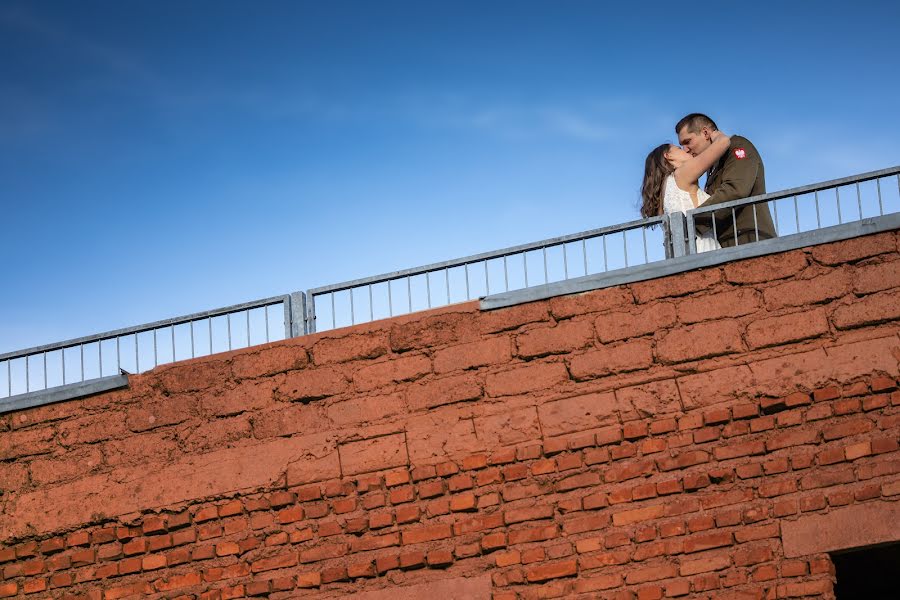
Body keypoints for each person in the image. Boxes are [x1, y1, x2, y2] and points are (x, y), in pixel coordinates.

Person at [675, 113, 777, 247]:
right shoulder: (712, 167)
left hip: (750, 240)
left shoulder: (737, 146)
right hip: (729, 244)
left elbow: (735, 190)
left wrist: (693, 219)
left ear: (705, 133)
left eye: (688, 142)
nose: (685, 149)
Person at [640, 129, 733, 253]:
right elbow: (724, 142)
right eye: (678, 148)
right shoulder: (681, 174)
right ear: (668, 156)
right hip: (703, 249)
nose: (685, 150)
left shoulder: (663, 191)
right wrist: (715, 134)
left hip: (683, 253)